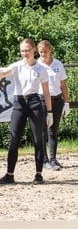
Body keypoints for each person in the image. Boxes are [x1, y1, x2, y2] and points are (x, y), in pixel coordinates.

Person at [0, 38, 53, 185]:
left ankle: (39, 174)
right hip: (19, 102)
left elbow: (46, 93)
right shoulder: (17, 66)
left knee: (37, 139)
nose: (24, 53)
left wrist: (50, 112)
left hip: (35, 102)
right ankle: (10, 174)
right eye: (22, 50)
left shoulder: (41, 69)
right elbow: (4, 73)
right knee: (14, 138)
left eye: (27, 50)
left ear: (34, 50)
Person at [37, 40, 70, 171]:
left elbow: (63, 85)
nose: (43, 54)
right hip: (42, 100)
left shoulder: (58, 64)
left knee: (53, 131)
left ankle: (53, 158)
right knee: (43, 131)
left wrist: (66, 102)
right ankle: (44, 159)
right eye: (41, 52)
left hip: (57, 99)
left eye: (45, 51)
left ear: (50, 50)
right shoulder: (37, 65)